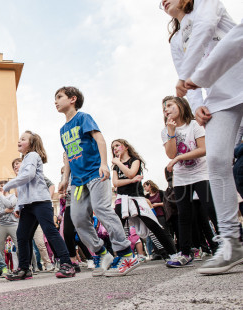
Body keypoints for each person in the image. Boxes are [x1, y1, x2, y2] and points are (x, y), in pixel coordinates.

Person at [161, 0, 243, 274]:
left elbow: (205, 29)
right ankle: (231, 242)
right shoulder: (175, 41)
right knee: (219, 161)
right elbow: (187, 85)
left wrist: (188, 76)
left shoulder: (208, 4)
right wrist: (196, 106)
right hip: (220, 99)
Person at [56, 86, 138, 277]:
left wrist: (104, 164)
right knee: (77, 219)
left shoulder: (83, 118)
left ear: (72, 99)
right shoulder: (62, 130)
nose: (56, 101)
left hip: (95, 173)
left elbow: (100, 139)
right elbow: (68, 155)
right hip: (77, 181)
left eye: (59, 97)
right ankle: (102, 253)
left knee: (101, 209)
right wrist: (65, 179)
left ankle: (127, 254)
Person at [4, 131, 75, 280]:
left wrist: (10, 184)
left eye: (23, 139)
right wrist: (18, 207)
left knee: (50, 231)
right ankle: (24, 269)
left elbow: (28, 176)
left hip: (41, 202)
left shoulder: (33, 156)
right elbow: (24, 187)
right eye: (19, 138)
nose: (19, 141)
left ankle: (67, 264)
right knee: (22, 236)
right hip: (27, 205)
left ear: (31, 144)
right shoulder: (25, 160)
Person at [161, 96, 218, 267]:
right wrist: (171, 133)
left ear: (180, 105)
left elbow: (203, 149)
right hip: (181, 178)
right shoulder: (166, 131)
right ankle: (185, 252)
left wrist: (179, 159)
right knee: (184, 215)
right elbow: (171, 154)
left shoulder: (193, 125)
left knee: (211, 208)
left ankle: (226, 245)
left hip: (201, 173)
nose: (166, 109)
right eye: (164, 108)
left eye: (170, 105)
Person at [111, 139, 176, 261]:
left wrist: (119, 164)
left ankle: (171, 253)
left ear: (125, 147)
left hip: (136, 198)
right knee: (118, 228)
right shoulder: (115, 167)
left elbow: (131, 173)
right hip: (122, 199)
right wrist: (131, 180)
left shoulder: (135, 160)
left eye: (117, 145)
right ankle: (124, 258)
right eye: (113, 147)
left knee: (153, 226)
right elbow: (115, 183)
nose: (115, 148)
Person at [0, 181, 19, 271]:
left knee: (19, 246)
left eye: (3, 186)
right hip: (1, 225)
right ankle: (2, 268)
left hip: (13, 224)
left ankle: (22, 266)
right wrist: (5, 211)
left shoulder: (13, 197)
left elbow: (10, 205)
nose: (1, 187)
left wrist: (1, 196)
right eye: (0, 186)